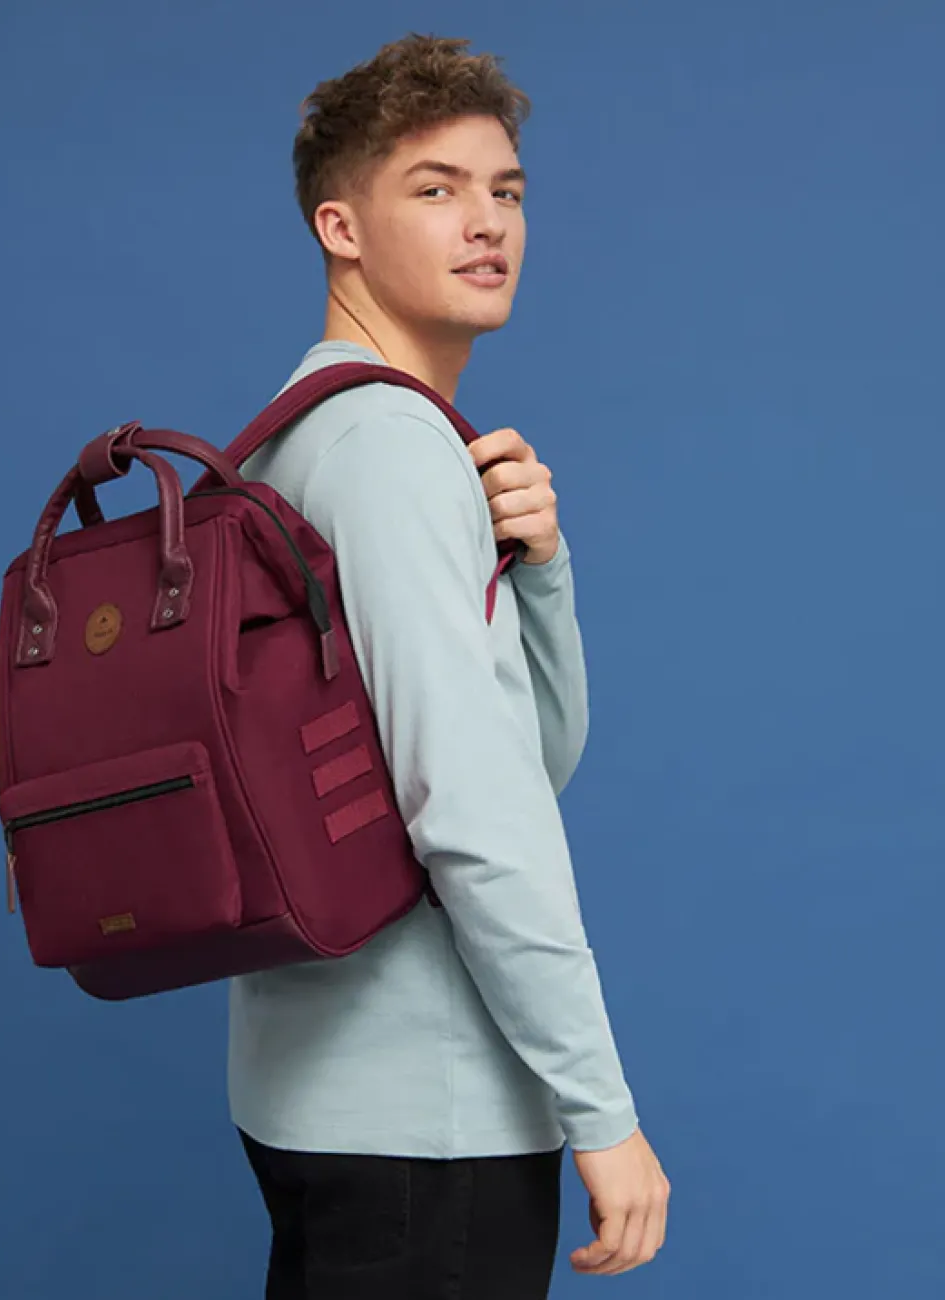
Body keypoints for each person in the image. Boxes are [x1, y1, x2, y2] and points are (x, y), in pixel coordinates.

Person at [228, 33, 670, 1298]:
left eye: (505, 191)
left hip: (313, 1091)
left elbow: (532, 756)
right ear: (340, 227)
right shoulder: (391, 447)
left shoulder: (295, 436)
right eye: (435, 188)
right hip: (430, 1117)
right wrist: (600, 1108)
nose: (487, 223)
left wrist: (541, 570)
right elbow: (474, 810)